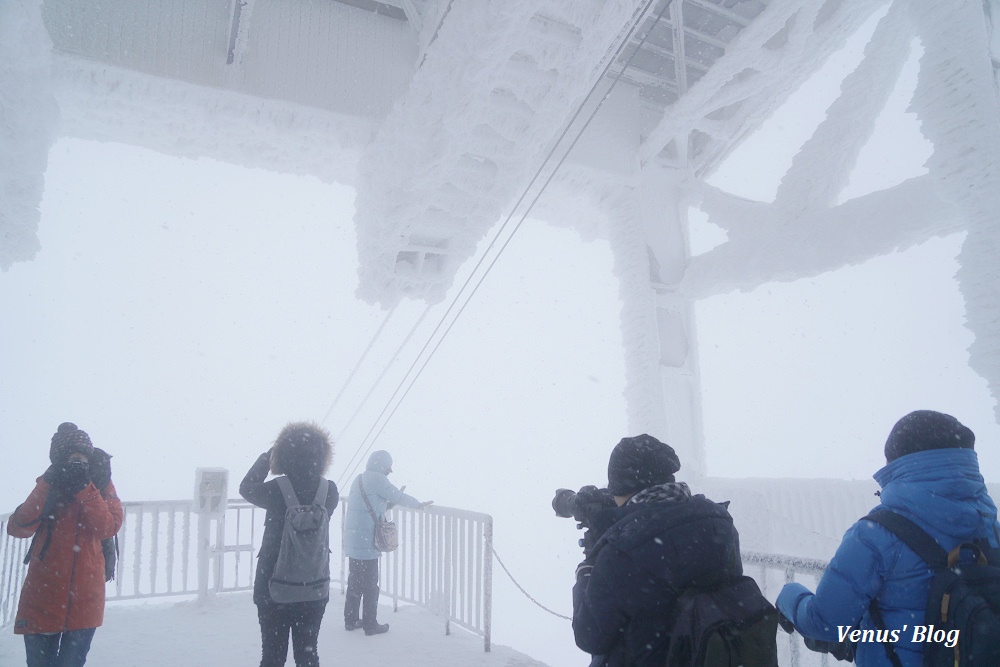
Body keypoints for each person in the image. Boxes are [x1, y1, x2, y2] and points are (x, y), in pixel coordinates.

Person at [776, 410, 1000, 666]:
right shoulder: (991, 529)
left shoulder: (876, 533)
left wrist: (788, 596)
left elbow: (825, 624)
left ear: (898, 464)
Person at [571, 434, 748, 666]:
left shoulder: (621, 552)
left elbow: (589, 636)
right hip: (716, 655)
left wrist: (588, 569)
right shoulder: (719, 521)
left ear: (622, 486)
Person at [7, 422, 124, 667]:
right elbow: (18, 527)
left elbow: (107, 527)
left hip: (85, 601)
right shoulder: (49, 483)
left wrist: (86, 489)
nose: (77, 462)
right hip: (42, 599)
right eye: (71, 456)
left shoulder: (100, 482)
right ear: (58, 460)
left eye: (82, 456)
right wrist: (49, 482)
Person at [240, 422, 339, 667]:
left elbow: (246, 488)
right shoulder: (330, 491)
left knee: (273, 657)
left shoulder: (276, 489)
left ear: (284, 454)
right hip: (314, 587)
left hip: (274, 587)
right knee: (307, 654)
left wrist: (267, 457)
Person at [342, 450, 432, 635]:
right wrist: (417, 504)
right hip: (367, 543)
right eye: (388, 469)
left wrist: (389, 502)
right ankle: (370, 624)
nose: (388, 473)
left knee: (355, 582)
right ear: (383, 466)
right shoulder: (378, 480)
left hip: (353, 540)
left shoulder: (359, 479)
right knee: (370, 585)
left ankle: (350, 620)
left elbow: (375, 503)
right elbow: (397, 498)